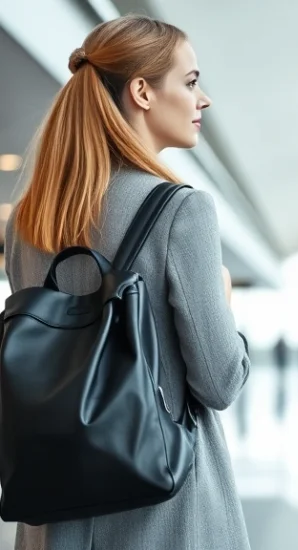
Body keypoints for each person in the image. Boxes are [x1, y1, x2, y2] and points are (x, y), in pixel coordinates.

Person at [5, 15, 251, 550]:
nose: (202, 99)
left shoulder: (26, 222)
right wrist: (224, 303)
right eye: (189, 82)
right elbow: (218, 382)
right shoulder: (181, 212)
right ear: (142, 91)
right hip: (164, 515)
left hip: (51, 522)